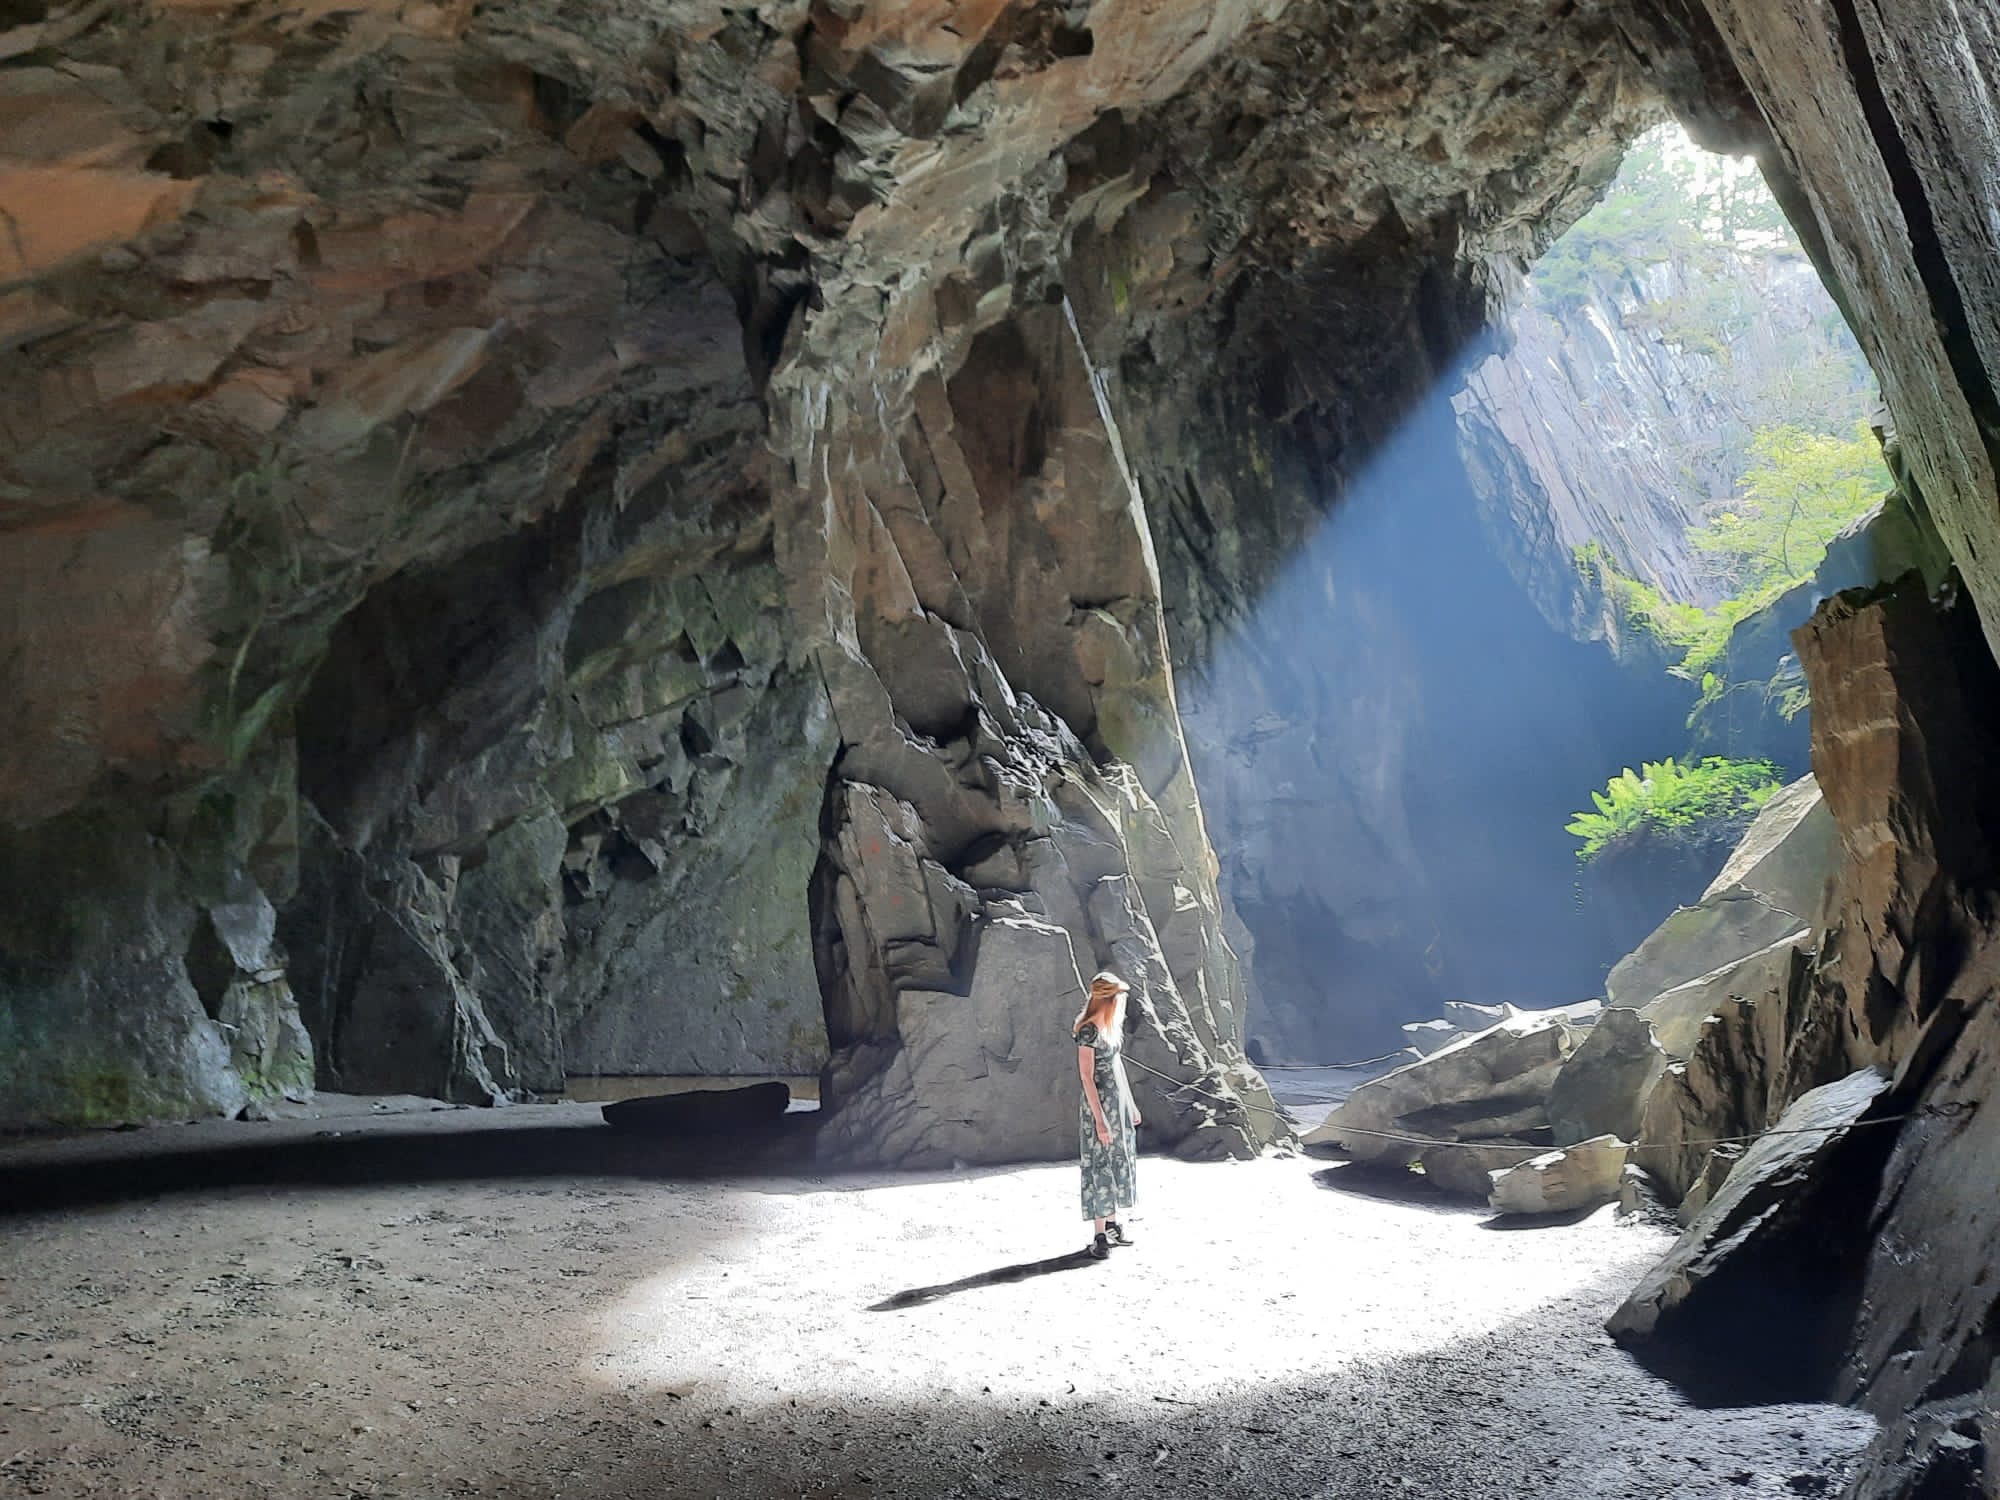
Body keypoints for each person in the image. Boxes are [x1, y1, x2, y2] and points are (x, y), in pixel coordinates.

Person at [1074, 969, 1140, 1260]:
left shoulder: (1109, 1030)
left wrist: (1131, 1104)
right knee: (1099, 1164)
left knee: (1116, 1161)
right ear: (1109, 1000)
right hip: (1099, 1107)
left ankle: (1112, 1225)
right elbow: (1087, 1077)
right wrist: (1099, 1119)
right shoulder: (1088, 1031)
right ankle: (1099, 1235)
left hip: (1117, 1105)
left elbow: (1117, 1068)